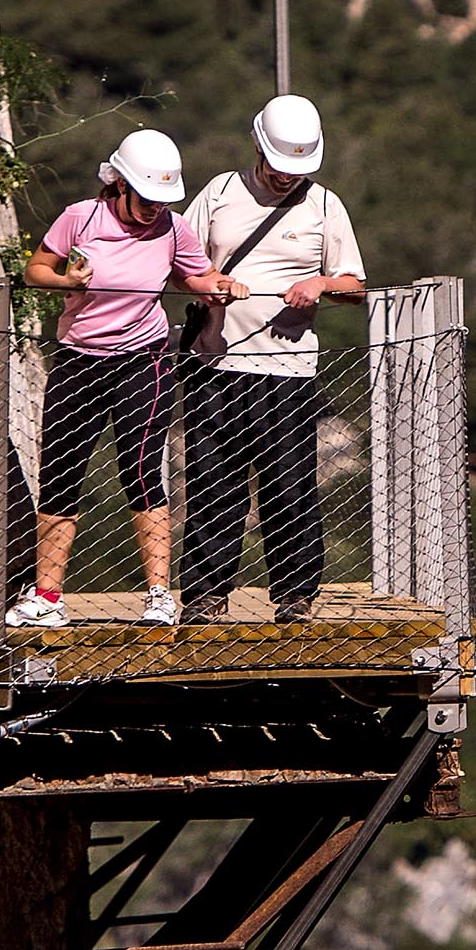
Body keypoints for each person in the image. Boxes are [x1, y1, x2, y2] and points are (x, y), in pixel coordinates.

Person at [8, 129, 245, 628]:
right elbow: (35, 270)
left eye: (163, 200)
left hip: (144, 360)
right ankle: (47, 597)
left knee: (141, 474)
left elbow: (193, 277)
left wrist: (216, 286)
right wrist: (67, 281)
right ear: (118, 184)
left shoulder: (174, 228)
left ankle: (159, 595)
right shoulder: (80, 217)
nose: (154, 209)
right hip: (79, 359)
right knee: (60, 474)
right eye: (146, 198)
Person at [176, 94, 367, 623]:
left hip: (288, 369)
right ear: (258, 147)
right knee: (214, 481)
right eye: (280, 166)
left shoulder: (325, 206)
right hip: (214, 363)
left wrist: (320, 284)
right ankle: (206, 595)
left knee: (290, 484)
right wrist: (209, 284)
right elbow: (179, 262)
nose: (287, 178)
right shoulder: (218, 192)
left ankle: (296, 596)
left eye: (296, 169)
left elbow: (355, 285)